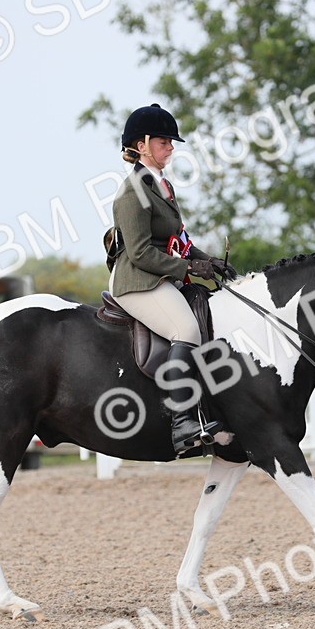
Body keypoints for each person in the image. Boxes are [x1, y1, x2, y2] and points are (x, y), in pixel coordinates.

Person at [109, 103, 233, 454]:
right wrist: (189, 270)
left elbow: (179, 241)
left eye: (171, 142)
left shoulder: (161, 186)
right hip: (137, 281)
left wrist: (209, 261)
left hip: (160, 276)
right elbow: (140, 253)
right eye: (164, 141)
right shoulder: (132, 191)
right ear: (142, 144)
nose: (171, 147)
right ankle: (183, 423)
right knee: (187, 330)